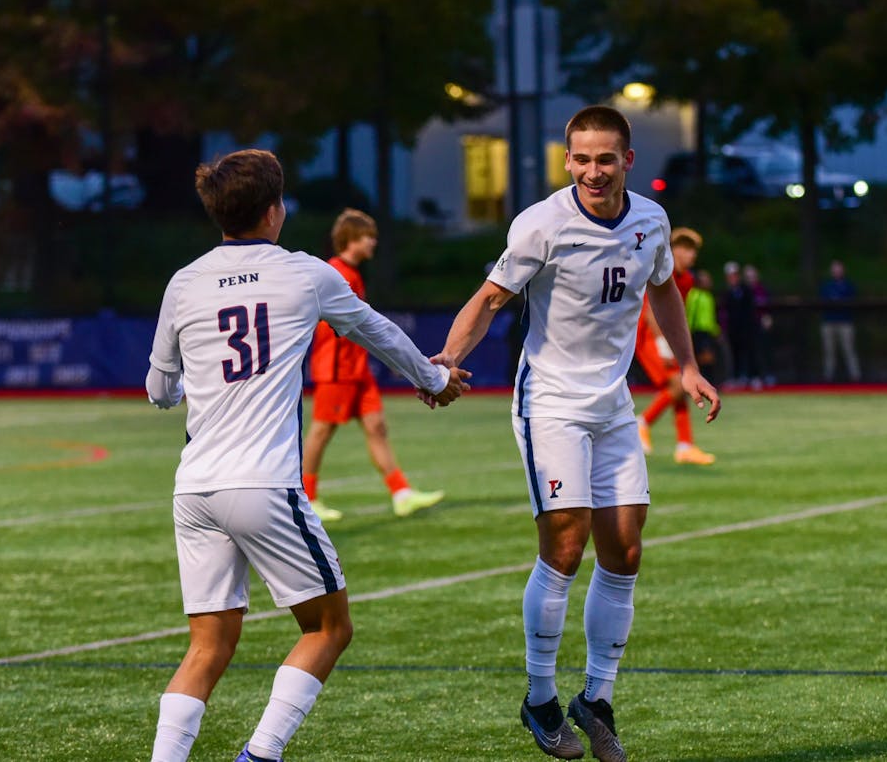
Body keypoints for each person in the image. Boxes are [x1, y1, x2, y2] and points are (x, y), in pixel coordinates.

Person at [144, 149, 468, 762]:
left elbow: (160, 390)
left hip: (194, 489)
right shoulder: (306, 273)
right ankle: (260, 755)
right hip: (263, 485)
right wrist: (431, 379)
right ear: (274, 211)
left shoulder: (183, 281)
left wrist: (199, 387)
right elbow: (377, 331)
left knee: (207, 647)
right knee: (329, 628)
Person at [434, 106, 720, 762]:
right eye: (582, 159)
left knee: (624, 549)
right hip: (551, 402)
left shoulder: (650, 220)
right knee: (566, 543)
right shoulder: (540, 223)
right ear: (567, 161)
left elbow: (665, 291)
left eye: (606, 159)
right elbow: (489, 300)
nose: (593, 170)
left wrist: (688, 366)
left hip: (613, 405)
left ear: (628, 161)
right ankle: (539, 698)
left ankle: (595, 698)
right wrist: (447, 359)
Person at [302, 208, 446, 521]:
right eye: (369, 236)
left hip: (358, 370)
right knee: (321, 431)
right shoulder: (334, 272)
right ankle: (307, 497)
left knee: (377, 427)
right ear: (351, 238)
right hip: (338, 370)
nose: (374, 243)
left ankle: (401, 492)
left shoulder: (351, 273)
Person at [635, 227, 716, 465]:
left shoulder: (687, 279)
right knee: (677, 384)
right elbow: (651, 310)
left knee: (681, 386)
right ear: (675, 250)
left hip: (663, 335)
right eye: (686, 249)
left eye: (694, 251)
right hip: (648, 335)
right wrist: (663, 343)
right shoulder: (662, 269)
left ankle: (685, 445)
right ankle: (643, 422)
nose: (691, 255)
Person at [819, 258, 861, 382]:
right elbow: (823, 300)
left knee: (849, 350)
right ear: (831, 271)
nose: (836, 271)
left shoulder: (849, 285)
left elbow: (853, 300)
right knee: (829, 352)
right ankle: (828, 378)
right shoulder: (826, 286)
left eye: (839, 269)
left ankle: (856, 377)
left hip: (845, 322)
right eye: (834, 269)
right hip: (828, 323)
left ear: (843, 270)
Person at [722, 260, 763, 388]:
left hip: (748, 328)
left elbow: (751, 310)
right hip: (734, 330)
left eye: (734, 275)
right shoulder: (727, 293)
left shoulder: (746, 290)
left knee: (751, 352)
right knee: (735, 354)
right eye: (730, 276)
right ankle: (737, 377)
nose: (732, 278)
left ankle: (754, 377)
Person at [686, 267, 724, 384]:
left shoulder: (708, 296)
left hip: (708, 332)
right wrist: (688, 331)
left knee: (709, 358)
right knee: (703, 358)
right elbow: (690, 313)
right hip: (698, 331)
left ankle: (709, 381)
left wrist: (716, 331)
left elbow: (711, 317)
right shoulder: (694, 295)